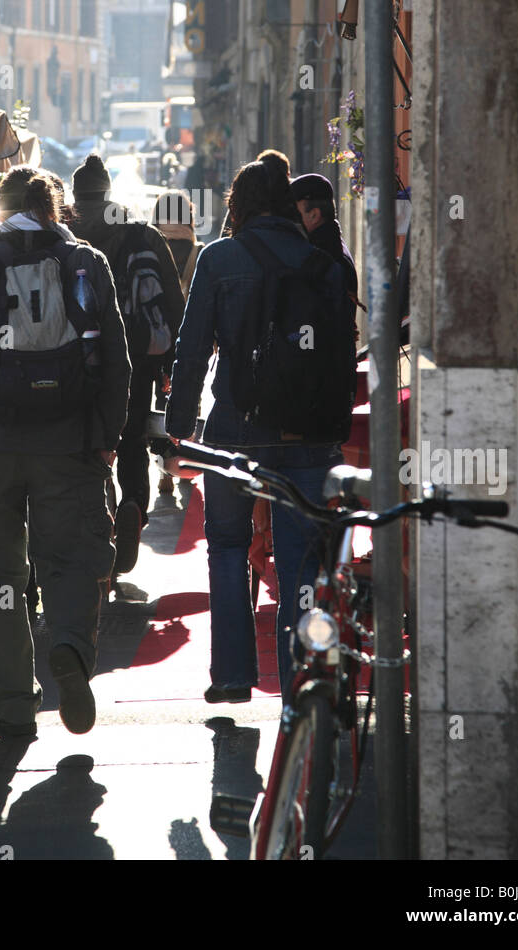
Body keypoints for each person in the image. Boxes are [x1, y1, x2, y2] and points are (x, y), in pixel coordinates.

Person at [0, 166, 131, 740]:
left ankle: (14, 705)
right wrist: (107, 437)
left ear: (1, 210)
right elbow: (117, 363)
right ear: (55, 209)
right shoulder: (88, 263)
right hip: (69, 445)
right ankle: (67, 648)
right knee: (69, 562)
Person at [164, 160, 350, 703]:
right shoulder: (326, 263)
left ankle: (232, 675)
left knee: (226, 545)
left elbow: (192, 348)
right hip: (309, 436)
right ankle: (301, 682)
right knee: (301, 557)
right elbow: (342, 354)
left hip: (234, 433)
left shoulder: (220, 258)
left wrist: (177, 430)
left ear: (239, 205)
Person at [67, 153, 185, 574]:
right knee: (132, 435)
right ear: (108, 191)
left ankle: (98, 519)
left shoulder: (62, 234)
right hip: (136, 356)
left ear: (77, 193)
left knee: (84, 440)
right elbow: (173, 302)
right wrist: (173, 360)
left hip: (74, 359)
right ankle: (134, 501)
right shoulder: (142, 233)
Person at [151, 189, 204, 495]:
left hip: (160, 338)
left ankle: (165, 469)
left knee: (161, 400)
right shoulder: (197, 251)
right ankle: (188, 459)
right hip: (192, 337)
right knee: (191, 397)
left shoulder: (154, 247)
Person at [289, 172, 359, 307]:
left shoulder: (325, 258)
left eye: (294, 214)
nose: (290, 220)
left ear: (314, 215)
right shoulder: (331, 246)